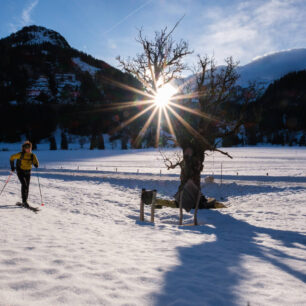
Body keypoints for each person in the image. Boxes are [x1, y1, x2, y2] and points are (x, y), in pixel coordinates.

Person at [10, 141, 39, 207]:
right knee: (24, 184)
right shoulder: (20, 154)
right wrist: (12, 167)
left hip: (28, 172)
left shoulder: (32, 155)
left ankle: (25, 201)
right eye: (27, 148)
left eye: (30, 148)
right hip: (20, 171)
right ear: (24, 148)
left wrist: (36, 164)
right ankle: (24, 202)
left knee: (27, 186)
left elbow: (36, 162)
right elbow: (11, 157)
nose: (29, 149)